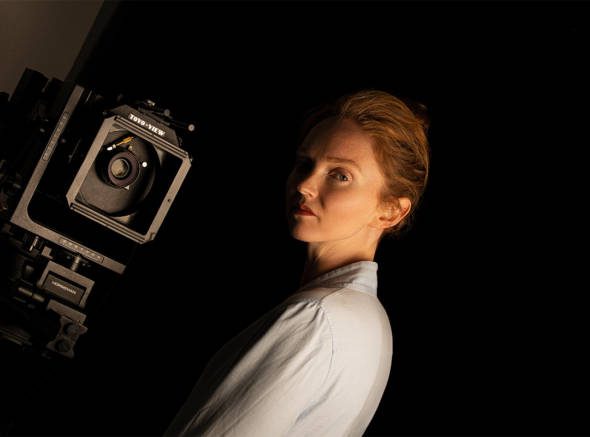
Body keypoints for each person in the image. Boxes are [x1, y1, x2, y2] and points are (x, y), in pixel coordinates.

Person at [165, 89, 430, 436]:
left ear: (390, 211)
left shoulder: (318, 317)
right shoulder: (367, 319)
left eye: (340, 175)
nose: (305, 185)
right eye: (305, 164)